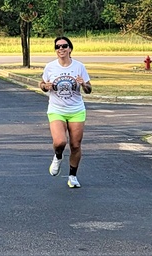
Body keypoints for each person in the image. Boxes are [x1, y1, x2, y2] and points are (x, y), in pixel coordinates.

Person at [38, 36, 92, 189]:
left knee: (75, 145)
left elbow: (88, 90)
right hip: (57, 109)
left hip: (76, 110)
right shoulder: (50, 67)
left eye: (64, 46)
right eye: (57, 47)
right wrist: (44, 86)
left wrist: (83, 84)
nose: (60, 49)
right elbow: (41, 83)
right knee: (60, 142)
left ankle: (72, 176)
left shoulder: (79, 66)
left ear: (70, 49)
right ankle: (58, 156)